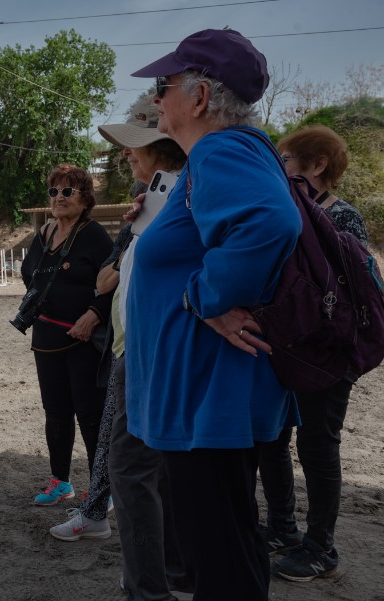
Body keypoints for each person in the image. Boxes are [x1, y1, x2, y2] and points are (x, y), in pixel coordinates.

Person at [125, 29, 302, 600]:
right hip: (206, 393)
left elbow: (272, 223)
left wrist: (209, 298)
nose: (157, 99)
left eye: (164, 85)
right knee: (228, 540)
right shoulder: (220, 154)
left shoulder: (223, 148)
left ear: (200, 97)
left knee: (216, 552)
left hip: (207, 394)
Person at [53, 97, 194, 599]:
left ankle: (147, 587)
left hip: (149, 347)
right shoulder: (158, 193)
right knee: (160, 467)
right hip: (141, 342)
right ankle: (175, 573)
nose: (125, 156)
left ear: (159, 145)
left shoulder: (181, 192)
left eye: (133, 147)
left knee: (130, 468)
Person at [258, 125, 368, 582]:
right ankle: (283, 526)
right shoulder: (286, 210)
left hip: (328, 352)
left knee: (318, 445)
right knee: (272, 437)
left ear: (316, 164)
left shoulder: (342, 218)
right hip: (286, 348)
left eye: (285, 159)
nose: (279, 167)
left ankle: (321, 547)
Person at [20, 163, 113, 506]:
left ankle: (102, 486)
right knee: (55, 413)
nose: (58, 198)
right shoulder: (44, 234)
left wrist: (93, 315)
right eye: (54, 191)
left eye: (67, 191)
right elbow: (28, 273)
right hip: (46, 337)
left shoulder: (94, 235)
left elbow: (113, 284)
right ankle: (60, 481)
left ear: (85, 198)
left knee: (90, 414)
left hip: (83, 338)